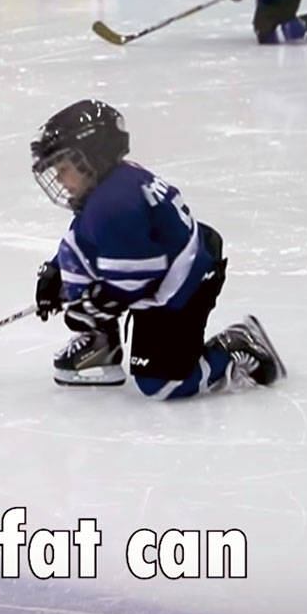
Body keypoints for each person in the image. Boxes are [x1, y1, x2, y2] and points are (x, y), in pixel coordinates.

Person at [30, 100, 287, 399]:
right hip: (161, 265)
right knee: (77, 267)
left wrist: (96, 307)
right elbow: (83, 242)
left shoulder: (114, 204)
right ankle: (103, 345)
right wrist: (58, 272)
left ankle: (238, 343)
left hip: (187, 283)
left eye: (64, 167)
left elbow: (138, 278)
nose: (59, 178)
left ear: (92, 157)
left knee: (162, 385)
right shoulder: (110, 185)